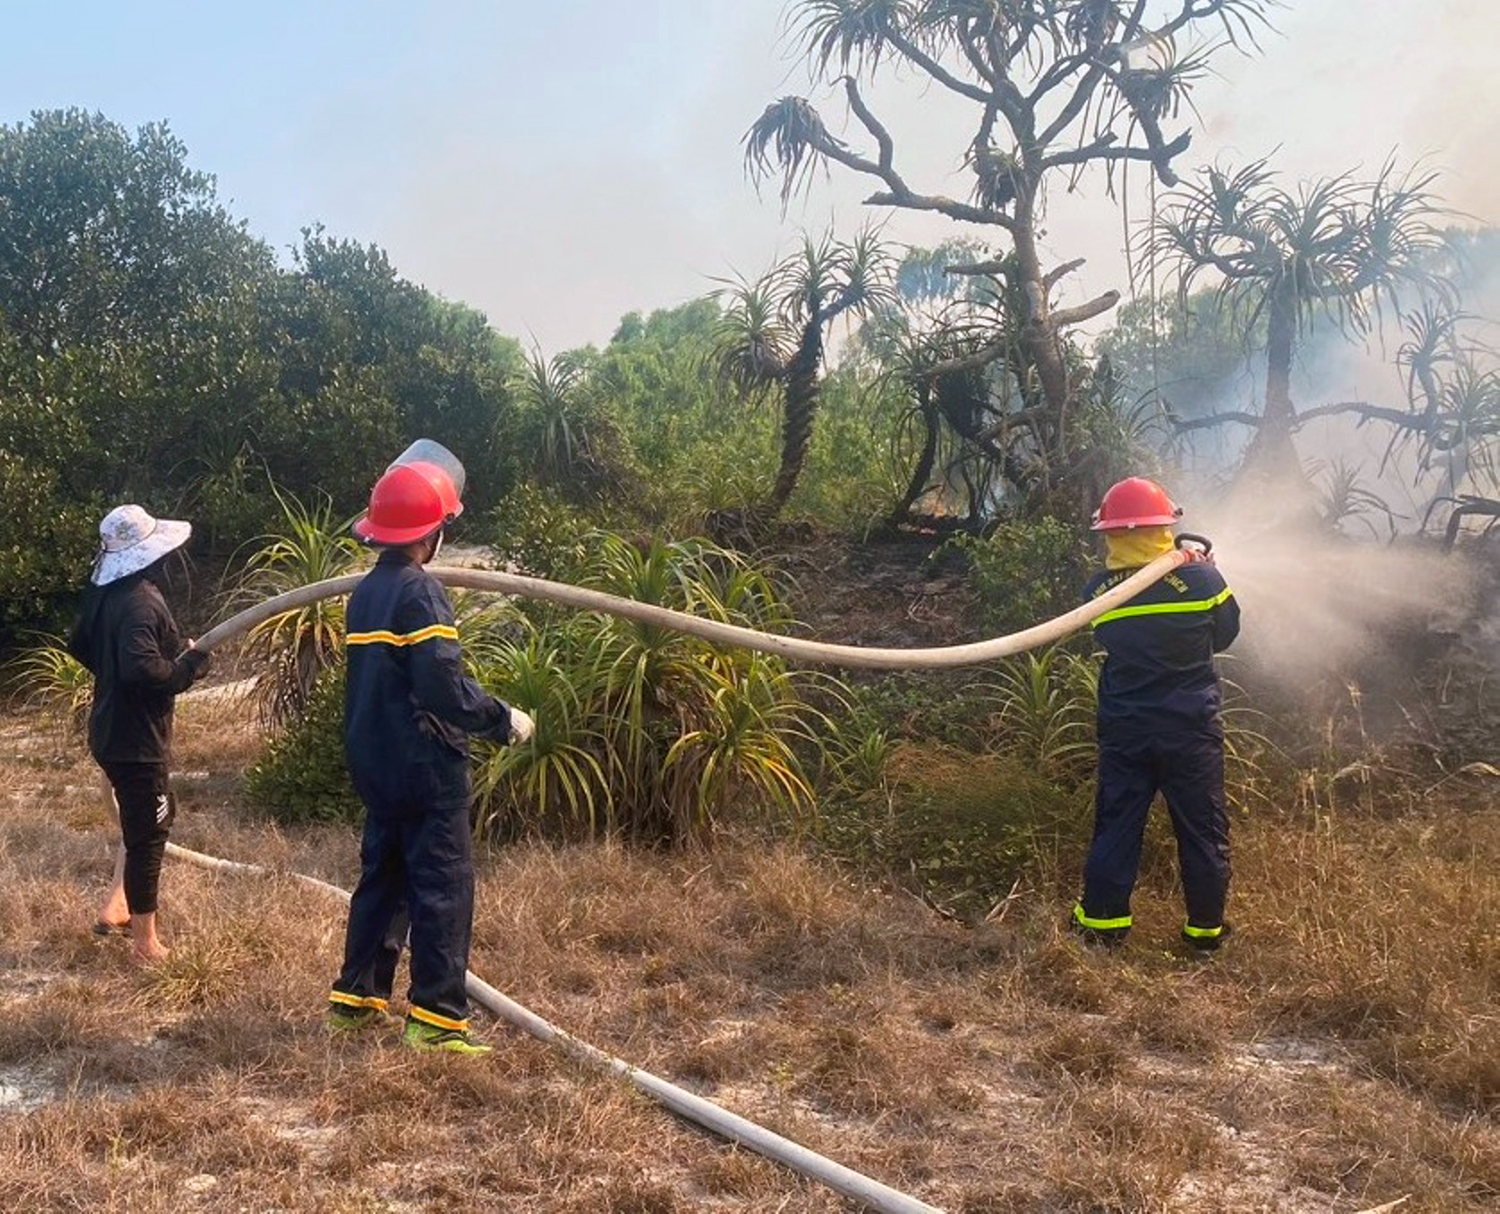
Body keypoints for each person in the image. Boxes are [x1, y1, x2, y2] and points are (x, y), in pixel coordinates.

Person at [327, 441, 534, 1054]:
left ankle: (356, 998)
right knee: (441, 885)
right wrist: (500, 719)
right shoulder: (420, 593)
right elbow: (440, 685)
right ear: (435, 530)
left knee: (382, 880)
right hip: (425, 765)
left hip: (375, 761)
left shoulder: (367, 592)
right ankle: (438, 1021)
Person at [1071, 477, 1241, 953]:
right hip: (1190, 729)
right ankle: (1205, 932)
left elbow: (1105, 641)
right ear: (1165, 527)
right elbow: (1225, 634)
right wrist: (1198, 572)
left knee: (1117, 823)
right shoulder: (1205, 580)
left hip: (1126, 730)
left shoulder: (1098, 593)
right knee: (1202, 826)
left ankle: (1102, 929)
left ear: (1111, 534)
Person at [68, 505, 211, 964]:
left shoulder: (105, 595)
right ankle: (146, 946)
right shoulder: (142, 599)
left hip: (110, 729)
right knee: (149, 831)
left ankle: (118, 906)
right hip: (135, 740)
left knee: (150, 817)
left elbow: (79, 644)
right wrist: (186, 669)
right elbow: (142, 669)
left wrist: (113, 674)